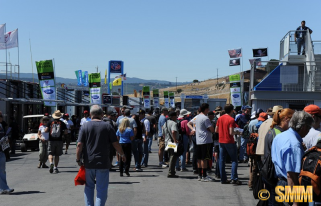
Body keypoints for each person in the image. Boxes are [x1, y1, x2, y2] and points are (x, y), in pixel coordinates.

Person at [76, 105, 126, 206]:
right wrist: (122, 154)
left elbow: (79, 144)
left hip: (89, 162)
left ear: (90, 114)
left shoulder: (85, 126)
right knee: (101, 189)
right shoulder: (107, 126)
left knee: (89, 187)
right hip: (103, 162)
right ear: (102, 115)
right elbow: (115, 143)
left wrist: (78, 159)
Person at [272, 111, 314, 206]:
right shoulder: (294, 144)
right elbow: (291, 175)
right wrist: (296, 202)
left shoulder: (280, 136)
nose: (308, 131)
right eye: (309, 127)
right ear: (303, 127)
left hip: (281, 183)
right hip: (292, 187)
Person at [263, 108, 294, 205]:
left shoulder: (272, 130)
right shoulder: (279, 134)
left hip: (268, 172)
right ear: (286, 119)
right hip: (275, 175)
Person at [216, 104, 242, 185]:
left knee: (221, 160)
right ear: (231, 110)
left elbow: (216, 130)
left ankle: (223, 179)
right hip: (229, 141)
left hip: (221, 140)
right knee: (234, 160)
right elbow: (231, 132)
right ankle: (234, 178)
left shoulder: (220, 118)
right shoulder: (231, 119)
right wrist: (238, 132)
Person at [195, 103, 215, 182]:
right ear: (206, 109)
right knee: (205, 159)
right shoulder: (205, 118)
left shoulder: (197, 117)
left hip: (198, 140)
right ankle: (204, 175)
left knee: (199, 159)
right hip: (206, 140)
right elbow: (212, 129)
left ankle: (200, 175)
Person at [163, 111, 180, 178]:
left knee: (171, 156)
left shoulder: (165, 123)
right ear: (173, 116)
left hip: (167, 141)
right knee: (173, 157)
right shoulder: (173, 123)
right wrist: (175, 140)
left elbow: (163, 134)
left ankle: (172, 172)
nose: (176, 117)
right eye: (176, 116)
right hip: (172, 142)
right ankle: (171, 172)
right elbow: (173, 131)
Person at [0, 117, 14, 194]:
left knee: (2, 171)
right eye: (0, 116)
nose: (2, 118)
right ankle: (3, 188)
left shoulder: (1, 126)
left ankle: (4, 188)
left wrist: (6, 139)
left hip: (1, 151)